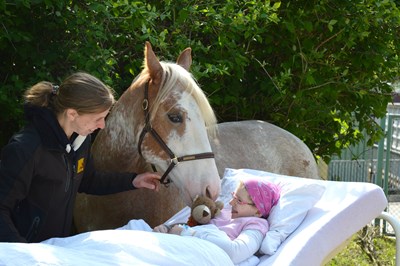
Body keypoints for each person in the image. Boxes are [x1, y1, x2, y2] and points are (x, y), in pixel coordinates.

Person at [0, 72, 161, 243]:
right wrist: (25, 254)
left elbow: (88, 180)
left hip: (56, 249)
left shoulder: (81, 140)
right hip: (25, 253)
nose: (102, 125)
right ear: (72, 114)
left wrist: (133, 181)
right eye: (98, 118)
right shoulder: (24, 149)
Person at [153, 178, 281, 264]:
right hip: (185, 241)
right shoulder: (225, 212)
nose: (231, 202)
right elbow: (191, 225)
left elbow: (235, 252)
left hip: (202, 252)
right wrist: (167, 228)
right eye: (233, 196)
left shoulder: (256, 225)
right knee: (137, 225)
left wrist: (189, 234)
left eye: (239, 200)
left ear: (258, 211)